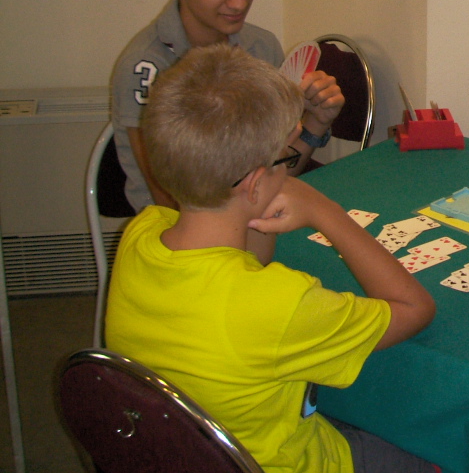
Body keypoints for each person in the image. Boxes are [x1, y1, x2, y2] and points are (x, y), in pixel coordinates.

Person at [105, 44, 437, 473]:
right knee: (433, 454)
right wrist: (325, 211)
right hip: (284, 464)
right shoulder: (280, 305)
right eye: (286, 155)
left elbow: (250, 262)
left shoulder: (141, 233)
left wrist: (261, 197)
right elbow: (415, 308)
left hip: (182, 452)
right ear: (256, 184)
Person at [111, 0, 343, 214]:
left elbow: (275, 175)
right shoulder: (146, 67)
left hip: (250, 218)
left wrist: (316, 122)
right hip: (180, 232)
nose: (239, 0)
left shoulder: (260, 47)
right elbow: (168, 201)